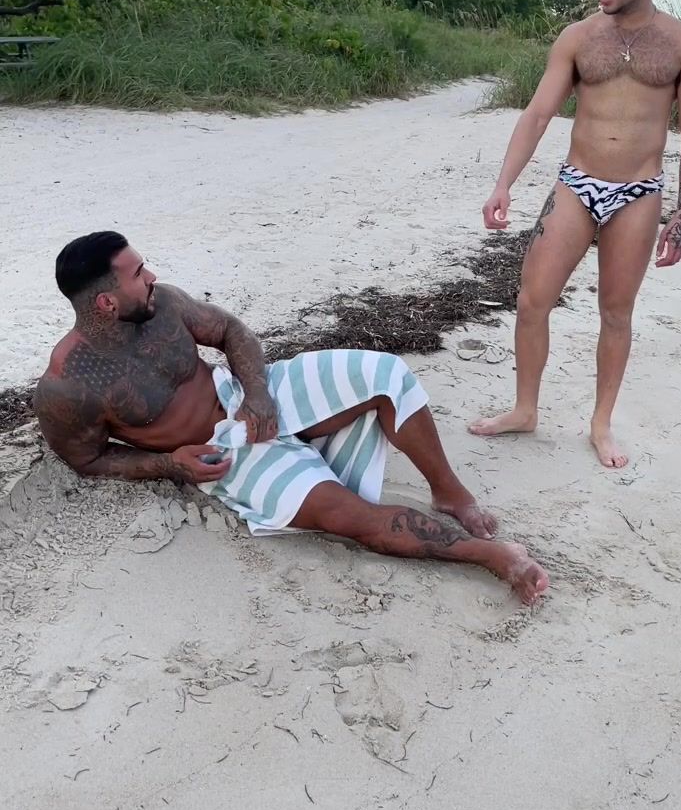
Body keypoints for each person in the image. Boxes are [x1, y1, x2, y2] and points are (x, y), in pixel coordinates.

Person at [33, 232, 549, 606]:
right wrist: (171, 464)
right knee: (346, 515)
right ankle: (490, 556)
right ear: (106, 301)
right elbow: (89, 461)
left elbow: (231, 332)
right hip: (222, 455)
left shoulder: (161, 304)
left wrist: (258, 394)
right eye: (138, 273)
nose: (152, 277)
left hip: (244, 394)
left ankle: (449, 492)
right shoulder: (67, 387)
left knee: (385, 374)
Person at [471, 0, 681, 468]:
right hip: (576, 184)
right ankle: (524, 409)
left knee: (615, 313)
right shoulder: (578, 37)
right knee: (532, 300)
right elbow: (538, 113)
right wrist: (503, 183)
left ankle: (601, 424)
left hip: (638, 193)